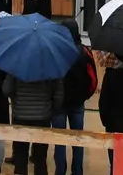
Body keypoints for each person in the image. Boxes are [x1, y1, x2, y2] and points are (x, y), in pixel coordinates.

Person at [53, 19, 97, 175]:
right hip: (78, 104)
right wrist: (84, 96)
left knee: (59, 140)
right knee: (78, 140)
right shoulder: (85, 52)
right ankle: (77, 171)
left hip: (59, 104)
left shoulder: (56, 51)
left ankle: (60, 171)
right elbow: (93, 80)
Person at [4, 68, 64, 175]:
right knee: (40, 157)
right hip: (43, 117)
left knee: (20, 156)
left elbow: (6, 90)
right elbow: (59, 95)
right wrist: (51, 109)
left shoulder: (17, 67)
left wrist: (16, 100)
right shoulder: (52, 68)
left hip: (20, 116)